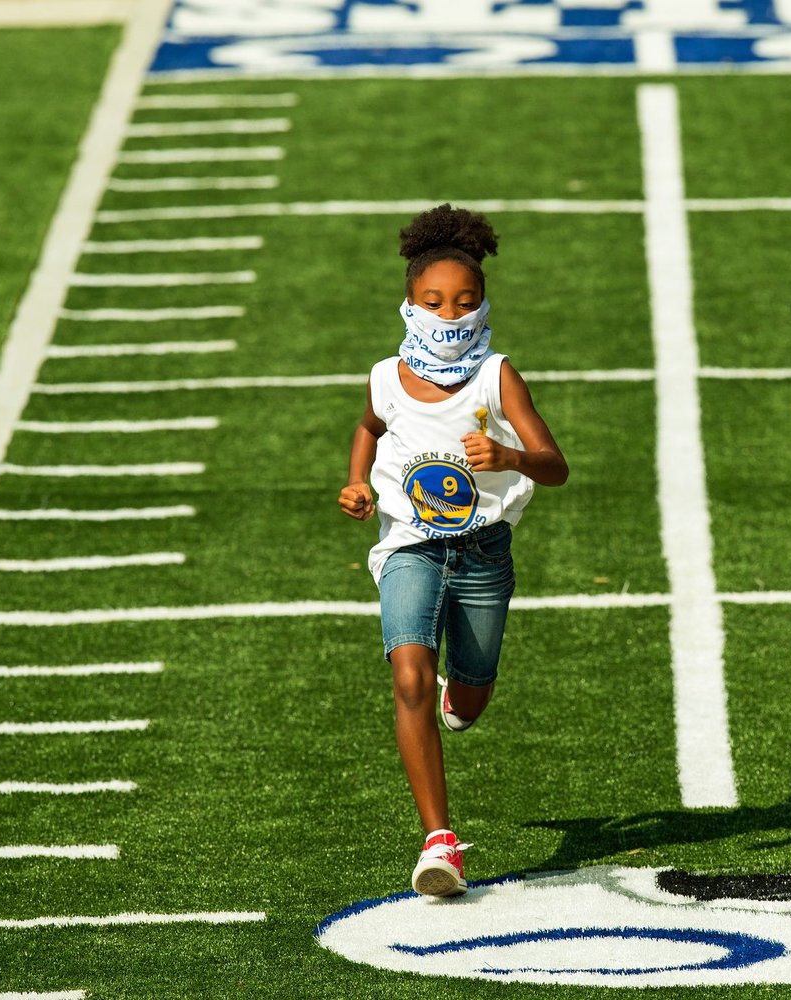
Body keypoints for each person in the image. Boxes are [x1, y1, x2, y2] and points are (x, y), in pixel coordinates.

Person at [339, 204, 568, 896]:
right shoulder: (385, 377)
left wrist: (510, 454)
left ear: (484, 306)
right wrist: (356, 482)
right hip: (410, 544)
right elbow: (369, 425)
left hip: (482, 554)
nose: (450, 314)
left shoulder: (497, 375)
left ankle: (460, 700)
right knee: (409, 672)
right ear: (409, 305)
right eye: (434, 302)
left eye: (465, 303)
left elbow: (555, 464)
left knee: (469, 696)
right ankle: (439, 841)